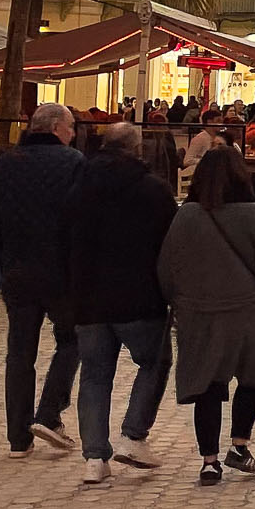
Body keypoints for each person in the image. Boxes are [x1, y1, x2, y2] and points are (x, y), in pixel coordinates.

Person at [158, 143, 255, 485]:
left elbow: (168, 267)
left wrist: (180, 302)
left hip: (200, 314)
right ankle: (239, 446)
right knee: (253, 378)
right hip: (249, 312)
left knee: (208, 385)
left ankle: (209, 460)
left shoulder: (186, 215)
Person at [66, 122, 176, 485]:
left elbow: (64, 237)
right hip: (139, 296)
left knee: (95, 376)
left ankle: (94, 457)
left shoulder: (78, 186)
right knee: (155, 361)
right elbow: (169, 244)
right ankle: (133, 434)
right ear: (137, 147)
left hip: (88, 297)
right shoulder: (154, 190)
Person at [0, 102, 87, 455]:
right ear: (57, 127)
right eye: (71, 127)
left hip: (17, 269)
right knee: (73, 340)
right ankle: (47, 412)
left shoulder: (7, 164)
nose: (73, 134)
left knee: (19, 352)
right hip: (61, 271)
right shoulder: (73, 163)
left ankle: (18, 437)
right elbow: (80, 218)